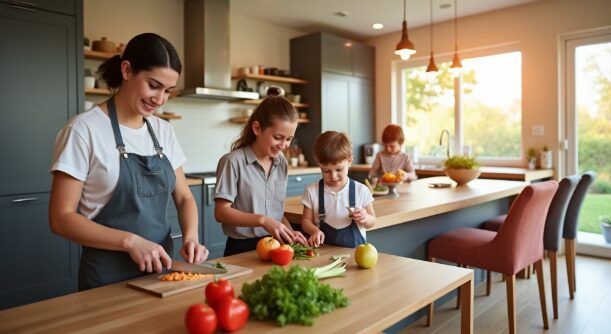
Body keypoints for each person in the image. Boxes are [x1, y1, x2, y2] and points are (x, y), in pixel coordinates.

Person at [48, 33, 208, 290]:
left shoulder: (163, 131)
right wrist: (130, 241)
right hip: (105, 279)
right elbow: (61, 217)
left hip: (161, 274)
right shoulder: (83, 130)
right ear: (126, 70)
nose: (160, 99)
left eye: (168, 91)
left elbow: (185, 197)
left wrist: (191, 237)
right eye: (153, 85)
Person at [214, 88, 307, 256]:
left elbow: (276, 213)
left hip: (275, 244)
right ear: (257, 128)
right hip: (241, 249)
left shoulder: (281, 163)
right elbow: (221, 212)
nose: (284, 145)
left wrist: (289, 231)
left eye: (289, 139)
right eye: (278, 137)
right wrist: (263, 221)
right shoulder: (233, 161)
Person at [300, 131, 376, 248]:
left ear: (350, 161)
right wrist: (314, 231)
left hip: (355, 256)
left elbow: (372, 221)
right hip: (323, 254)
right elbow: (306, 221)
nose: (333, 176)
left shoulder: (361, 190)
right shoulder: (312, 191)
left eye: (339, 169)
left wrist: (365, 217)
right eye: (326, 171)